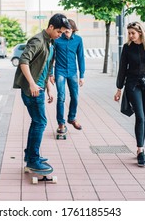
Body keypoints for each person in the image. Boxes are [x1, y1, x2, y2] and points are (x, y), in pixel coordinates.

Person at [13, 13, 71, 171]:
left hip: (40, 87)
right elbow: (23, 61)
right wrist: (32, 84)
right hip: (33, 90)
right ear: (51, 27)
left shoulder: (50, 42)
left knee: (37, 122)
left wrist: (49, 87)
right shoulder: (38, 40)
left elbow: (46, 66)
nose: (60, 35)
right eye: (59, 31)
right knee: (40, 122)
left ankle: (31, 155)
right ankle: (33, 159)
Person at [114, 21, 145, 167]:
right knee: (140, 116)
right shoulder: (127, 48)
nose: (130, 35)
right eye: (129, 33)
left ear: (140, 32)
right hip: (133, 84)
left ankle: (141, 147)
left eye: (132, 33)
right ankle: (140, 150)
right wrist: (119, 88)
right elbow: (122, 68)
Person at [50, 19, 85, 134]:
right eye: (64, 30)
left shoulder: (78, 40)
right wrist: (51, 73)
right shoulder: (57, 40)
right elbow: (51, 58)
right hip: (59, 71)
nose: (66, 32)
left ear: (73, 29)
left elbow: (80, 58)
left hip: (73, 72)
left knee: (75, 96)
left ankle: (72, 118)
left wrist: (82, 75)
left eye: (68, 30)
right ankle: (61, 123)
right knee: (61, 97)